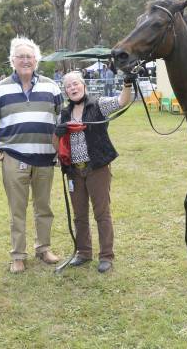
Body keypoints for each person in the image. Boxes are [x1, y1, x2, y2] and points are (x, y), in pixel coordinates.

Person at [0, 37, 64, 274]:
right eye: (21, 57)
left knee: (44, 207)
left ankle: (43, 248)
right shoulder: (0, 88)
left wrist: (62, 151)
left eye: (30, 56)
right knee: (17, 210)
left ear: (36, 60)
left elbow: (61, 122)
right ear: (12, 61)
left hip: (46, 158)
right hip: (14, 157)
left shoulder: (52, 87)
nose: (25, 60)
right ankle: (18, 255)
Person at [53, 70, 135, 273]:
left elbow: (121, 102)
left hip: (97, 167)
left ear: (84, 85)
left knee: (102, 213)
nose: (73, 88)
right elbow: (56, 143)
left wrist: (127, 84)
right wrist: (58, 132)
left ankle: (106, 255)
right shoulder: (64, 113)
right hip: (74, 171)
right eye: (68, 86)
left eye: (76, 84)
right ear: (65, 91)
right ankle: (83, 252)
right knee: (79, 214)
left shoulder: (98, 104)